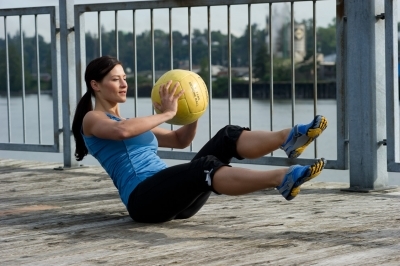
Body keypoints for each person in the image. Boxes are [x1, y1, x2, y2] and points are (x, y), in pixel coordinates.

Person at [72, 55, 328, 223]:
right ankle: (281, 179)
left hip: (176, 199)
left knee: (226, 136)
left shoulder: (129, 121)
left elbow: (179, 139)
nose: (123, 84)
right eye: (115, 79)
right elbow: (122, 132)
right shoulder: (93, 119)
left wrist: (193, 109)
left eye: (125, 78)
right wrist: (168, 113)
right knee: (204, 165)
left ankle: (288, 137)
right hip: (145, 201)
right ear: (96, 85)